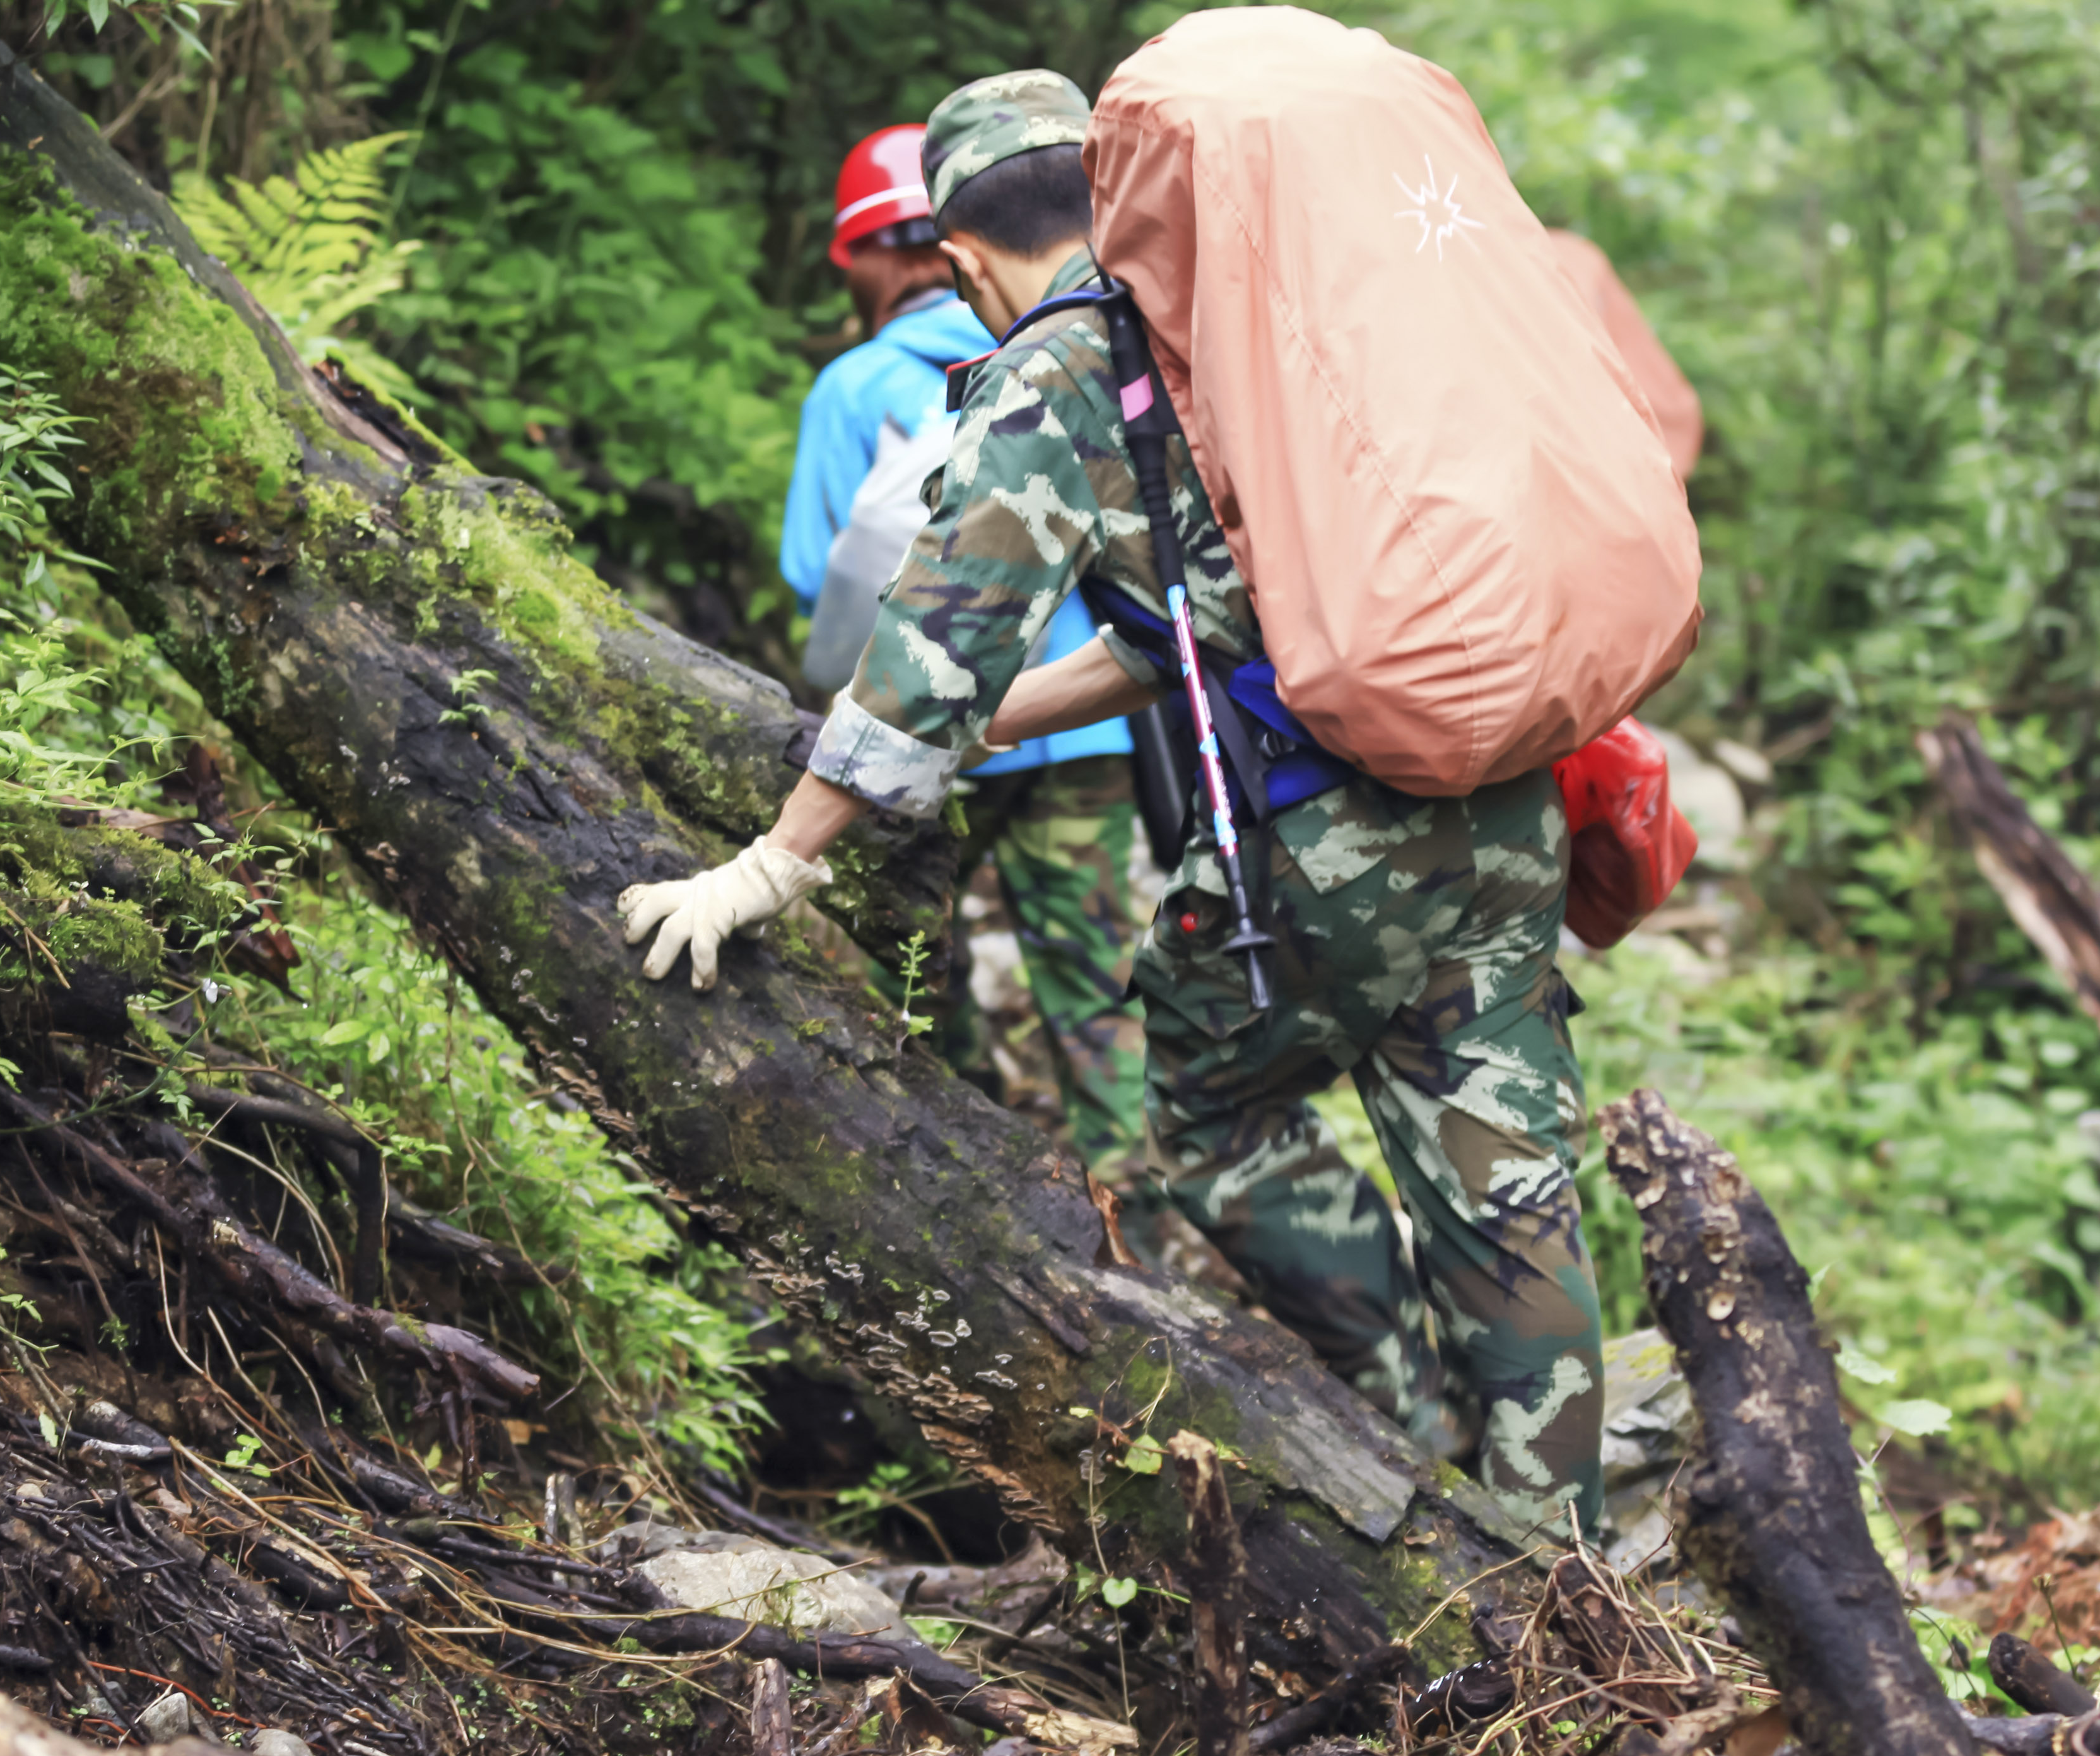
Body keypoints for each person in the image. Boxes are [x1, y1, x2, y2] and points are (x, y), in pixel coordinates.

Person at [625, 72, 1608, 1538]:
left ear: (958, 260)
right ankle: (1564, 1563)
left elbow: (934, 641)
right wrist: (963, 733)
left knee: (1204, 1126)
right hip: (1501, 797)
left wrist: (773, 861)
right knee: (1509, 1178)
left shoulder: (1064, 364)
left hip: (1331, 844)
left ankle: (1412, 1410)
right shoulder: (1251, 325)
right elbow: (1175, 635)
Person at [779, 122, 1147, 1181]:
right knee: (1096, 995)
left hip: (929, 737)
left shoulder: (855, 386)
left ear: (883, 255)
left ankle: (939, 1173)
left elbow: (818, 574)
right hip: (1084, 720)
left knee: (901, 960)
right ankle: (1145, 1216)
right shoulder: (1093, 349)